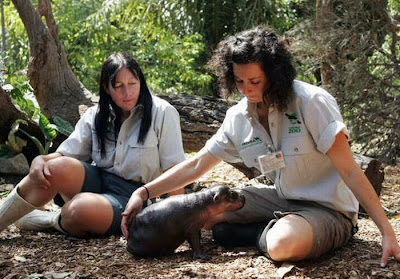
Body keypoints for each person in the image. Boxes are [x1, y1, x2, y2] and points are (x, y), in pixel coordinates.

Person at [121, 26, 400, 266]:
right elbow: (197, 164)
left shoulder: (312, 102)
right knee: (204, 215)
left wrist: (386, 231)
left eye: (254, 81)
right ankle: (266, 229)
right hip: (279, 198)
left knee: (283, 245)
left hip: (328, 209)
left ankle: (257, 235)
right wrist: (144, 192)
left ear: (275, 73)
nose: (246, 89)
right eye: (239, 81)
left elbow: (350, 171)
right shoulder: (238, 117)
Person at [0, 53, 185, 237]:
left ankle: (51, 221)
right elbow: (66, 155)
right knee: (53, 167)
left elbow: (176, 171)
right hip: (100, 181)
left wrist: (175, 223)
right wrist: (40, 160)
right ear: (106, 88)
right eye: (119, 86)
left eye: (132, 84)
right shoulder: (95, 115)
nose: (127, 93)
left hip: (137, 197)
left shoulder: (162, 113)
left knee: (77, 210)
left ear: (141, 82)